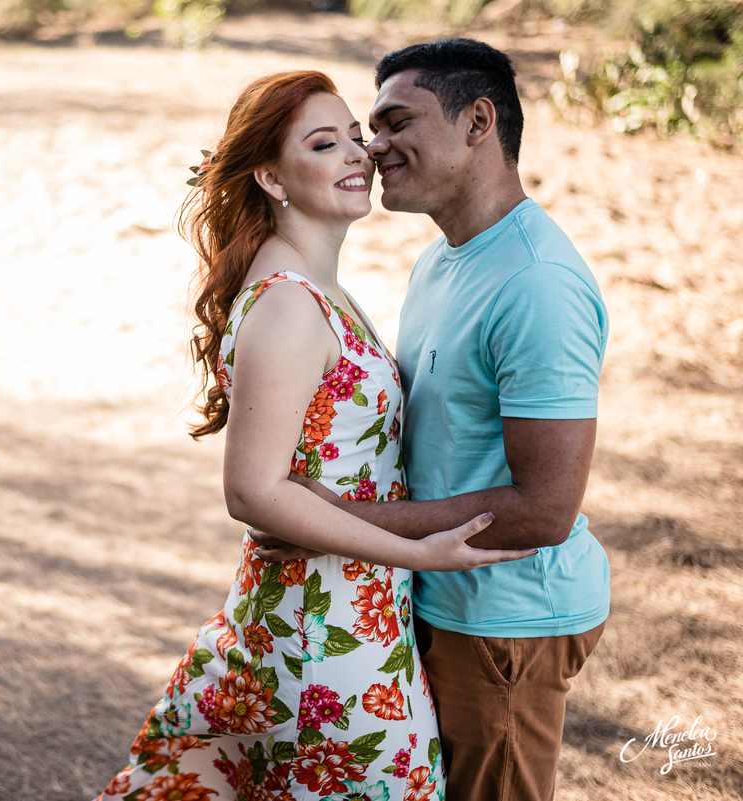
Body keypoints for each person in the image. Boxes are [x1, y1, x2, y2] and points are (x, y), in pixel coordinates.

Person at [95, 70, 532, 801]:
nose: (359, 154)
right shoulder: (289, 304)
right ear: (271, 177)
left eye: (356, 137)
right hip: (322, 635)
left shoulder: (320, 286)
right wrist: (419, 550)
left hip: (344, 614)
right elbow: (251, 490)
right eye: (325, 144)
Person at [251, 40, 611, 801]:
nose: (373, 146)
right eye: (368, 128)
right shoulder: (442, 259)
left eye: (395, 122)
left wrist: (335, 521)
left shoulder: (538, 283)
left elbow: (546, 509)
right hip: (430, 597)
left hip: (505, 620)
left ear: (478, 122)